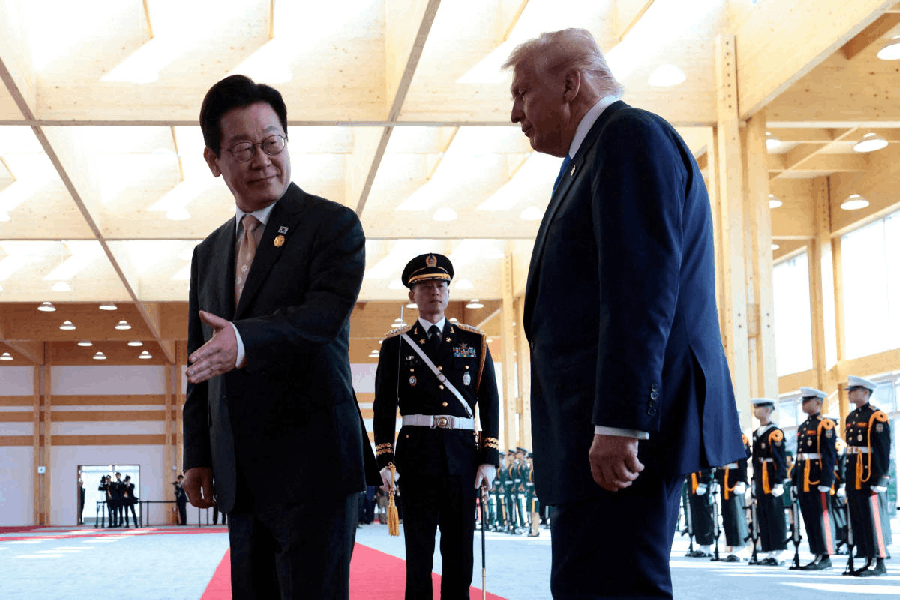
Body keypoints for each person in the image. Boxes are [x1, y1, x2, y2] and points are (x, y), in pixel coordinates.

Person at [504, 28, 745, 598]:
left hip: (618, 443)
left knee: (618, 586)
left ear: (570, 84)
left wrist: (619, 421)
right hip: (592, 438)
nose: (515, 114)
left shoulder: (628, 137)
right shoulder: (593, 154)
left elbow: (639, 290)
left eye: (522, 94)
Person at [182, 74, 373, 600]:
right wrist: (197, 452)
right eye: (242, 147)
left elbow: (321, 317)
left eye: (272, 142)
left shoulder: (331, 226)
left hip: (314, 467)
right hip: (242, 474)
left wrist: (243, 341)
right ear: (213, 159)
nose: (262, 159)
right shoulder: (209, 252)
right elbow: (200, 359)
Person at [373, 253, 500, 600]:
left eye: (441, 284)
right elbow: (383, 408)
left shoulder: (474, 342)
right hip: (415, 459)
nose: (435, 291)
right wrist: (385, 461)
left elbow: (489, 402)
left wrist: (488, 458)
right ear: (412, 295)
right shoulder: (396, 347)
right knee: (419, 552)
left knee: (459, 552)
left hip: (462, 459)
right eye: (425, 285)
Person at [843, 375, 891, 577]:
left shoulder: (876, 416)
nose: (850, 394)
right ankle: (867, 558)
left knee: (873, 518)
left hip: (869, 473)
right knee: (860, 518)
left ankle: (878, 561)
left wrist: (881, 478)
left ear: (865, 392)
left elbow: (882, 449)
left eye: (854, 390)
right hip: (854, 472)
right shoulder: (851, 417)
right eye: (850, 390)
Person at [793, 387, 837, 570]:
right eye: (803, 401)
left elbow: (829, 455)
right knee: (809, 518)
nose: (803, 404)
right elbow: (799, 456)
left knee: (821, 517)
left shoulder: (825, 425)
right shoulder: (803, 427)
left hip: (817, 479)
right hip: (804, 479)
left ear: (818, 402)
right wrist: (795, 480)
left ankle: (825, 555)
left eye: (807, 400)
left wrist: (827, 481)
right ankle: (816, 553)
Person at [751, 398, 788, 566]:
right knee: (763, 515)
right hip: (760, 479)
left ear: (768, 410)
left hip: (772, 480)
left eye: (759, 408)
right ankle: (769, 550)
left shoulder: (775, 433)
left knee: (775, 516)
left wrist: (779, 481)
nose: (755, 410)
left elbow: (780, 460)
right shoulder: (757, 432)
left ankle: (779, 552)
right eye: (755, 407)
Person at [715, 434, 750, 561]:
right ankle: (733, 547)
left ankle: (741, 548)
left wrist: (742, 480)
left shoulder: (740, 437)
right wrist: (716, 479)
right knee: (727, 514)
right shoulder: (721, 436)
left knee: (737, 514)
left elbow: (743, 459)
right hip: (725, 478)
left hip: (735, 478)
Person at [685, 469, 715, 558]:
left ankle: (707, 545)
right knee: (696, 515)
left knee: (704, 515)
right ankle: (702, 544)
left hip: (701, 482)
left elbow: (706, 465)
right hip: (693, 480)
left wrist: (704, 482)